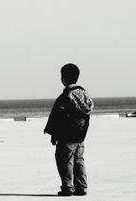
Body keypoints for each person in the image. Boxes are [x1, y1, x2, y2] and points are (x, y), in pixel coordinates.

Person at [44, 63, 94, 196]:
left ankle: (67, 187)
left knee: (64, 161)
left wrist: (53, 134)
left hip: (67, 135)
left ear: (63, 78)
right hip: (80, 134)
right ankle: (82, 187)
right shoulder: (84, 94)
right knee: (79, 160)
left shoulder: (66, 96)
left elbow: (57, 117)